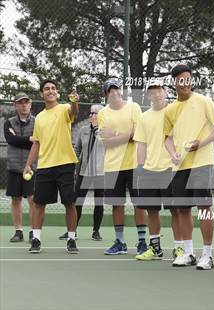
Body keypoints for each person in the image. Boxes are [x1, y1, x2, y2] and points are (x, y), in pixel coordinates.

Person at [164, 64, 214, 269]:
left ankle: (207, 255)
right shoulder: (170, 109)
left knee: (204, 208)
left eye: (188, 79)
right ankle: (188, 253)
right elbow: (167, 139)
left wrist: (202, 143)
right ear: (175, 83)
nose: (185, 83)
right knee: (182, 209)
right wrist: (172, 153)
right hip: (179, 166)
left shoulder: (204, 101)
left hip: (201, 162)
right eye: (180, 79)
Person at [23, 80, 80, 254]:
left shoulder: (64, 108)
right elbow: (37, 143)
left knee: (69, 203)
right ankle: (37, 239)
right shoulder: (39, 117)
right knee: (39, 204)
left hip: (65, 164)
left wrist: (74, 101)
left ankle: (71, 239)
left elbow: (74, 111)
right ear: (42, 94)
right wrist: (27, 165)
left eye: (53, 88)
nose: (51, 91)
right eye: (47, 89)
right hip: (45, 166)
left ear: (57, 92)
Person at [97, 78, 148, 255]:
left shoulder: (133, 108)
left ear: (121, 91)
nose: (114, 92)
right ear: (106, 94)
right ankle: (120, 242)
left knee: (139, 204)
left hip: (134, 164)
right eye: (110, 90)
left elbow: (139, 134)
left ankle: (142, 242)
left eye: (116, 89)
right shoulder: (102, 113)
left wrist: (116, 134)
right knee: (116, 205)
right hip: (112, 166)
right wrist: (125, 135)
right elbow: (106, 142)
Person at [134, 82, 183, 261]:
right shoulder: (144, 117)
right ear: (149, 96)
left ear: (164, 93)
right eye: (152, 93)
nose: (156, 95)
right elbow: (141, 144)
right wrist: (140, 167)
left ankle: (180, 249)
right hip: (149, 170)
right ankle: (155, 248)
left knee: (176, 210)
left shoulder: (174, 112)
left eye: (159, 92)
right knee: (151, 211)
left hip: (171, 169)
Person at [58, 104, 105, 241]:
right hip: (84, 172)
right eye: (90, 113)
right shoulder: (83, 130)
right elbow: (78, 150)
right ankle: (72, 231)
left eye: (95, 113)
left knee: (99, 202)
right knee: (77, 202)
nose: (91, 116)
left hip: (100, 173)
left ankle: (96, 231)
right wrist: (74, 166)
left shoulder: (106, 131)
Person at [4, 92, 36, 242]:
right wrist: (29, 139)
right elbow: (11, 140)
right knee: (15, 200)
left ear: (30, 104)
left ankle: (32, 231)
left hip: (31, 167)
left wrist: (20, 139)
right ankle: (18, 231)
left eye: (26, 102)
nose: (24, 105)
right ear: (15, 105)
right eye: (20, 102)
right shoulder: (9, 122)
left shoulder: (37, 122)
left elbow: (38, 142)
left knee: (32, 200)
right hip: (14, 167)